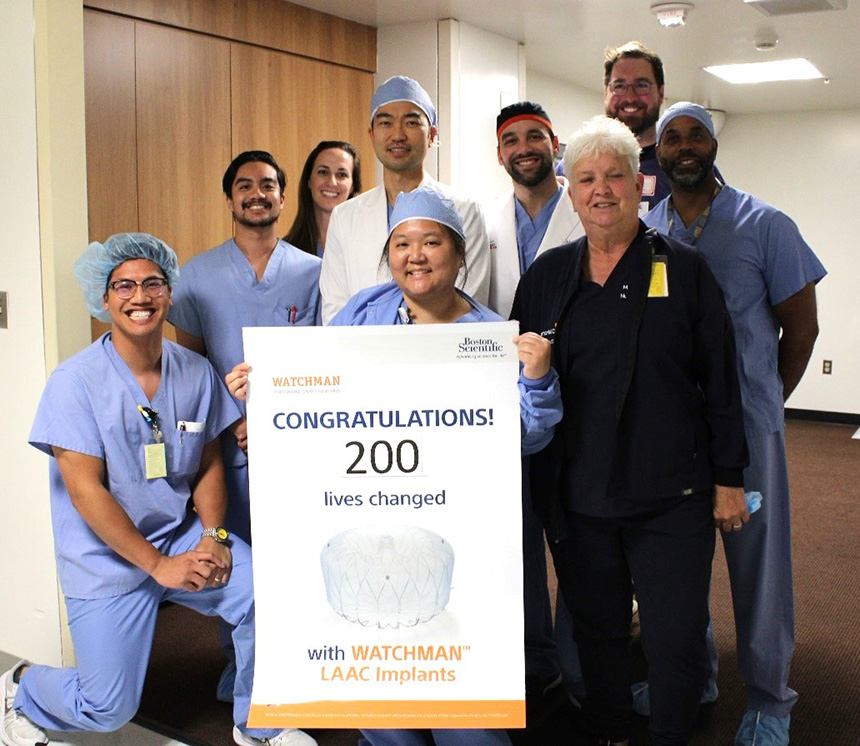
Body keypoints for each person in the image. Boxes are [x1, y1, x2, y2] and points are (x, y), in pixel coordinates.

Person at [228, 187, 562, 746]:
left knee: (466, 714)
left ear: (460, 256)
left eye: (432, 242)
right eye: (402, 244)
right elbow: (321, 393)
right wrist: (265, 394)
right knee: (381, 698)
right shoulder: (365, 311)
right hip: (369, 531)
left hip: (454, 535)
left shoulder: (487, 338)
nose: (416, 255)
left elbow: (525, 437)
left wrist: (537, 379)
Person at [1, 233, 315, 746]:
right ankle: (24, 687)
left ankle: (259, 726)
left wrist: (213, 535)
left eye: (153, 283)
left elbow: (210, 461)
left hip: (180, 538)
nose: (139, 297)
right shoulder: (74, 382)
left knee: (264, 591)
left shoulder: (194, 372)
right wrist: (156, 565)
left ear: (170, 294)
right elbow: (85, 493)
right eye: (123, 285)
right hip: (105, 560)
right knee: (106, 709)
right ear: (104, 299)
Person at [511, 116, 749, 746]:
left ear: (639, 184)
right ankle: (611, 733)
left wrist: (730, 480)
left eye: (614, 175)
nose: (601, 189)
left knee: (673, 639)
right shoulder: (547, 276)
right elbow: (511, 380)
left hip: (674, 494)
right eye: (586, 177)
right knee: (598, 635)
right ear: (569, 187)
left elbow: (721, 381)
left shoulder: (686, 269)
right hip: (581, 496)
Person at [642, 102, 826, 746]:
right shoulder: (648, 230)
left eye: (697, 136)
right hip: (673, 433)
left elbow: (802, 327)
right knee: (681, 565)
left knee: (758, 566)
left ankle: (773, 699)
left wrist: (770, 397)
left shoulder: (765, 225)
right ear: (658, 153)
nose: (685, 146)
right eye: (673, 138)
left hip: (747, 427)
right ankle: (697, 679)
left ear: (713, 146)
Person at [168, 150, 321, 702]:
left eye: (268, 185)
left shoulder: (312, 272)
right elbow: (188, 366)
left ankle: (300, 670)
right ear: (229, 197)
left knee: (298, 558)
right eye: (245, 185)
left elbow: (325, 359)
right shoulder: (199, 274)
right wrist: (232, 420)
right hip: (227, 448)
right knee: (235, 564)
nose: (257, 194)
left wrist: (279, 419)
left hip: (297, 441)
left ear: (283, 196)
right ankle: (242, 669)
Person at [486, 100, 584, 706]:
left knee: (576, 545)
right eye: (511, 140)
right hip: (507, 404)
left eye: (534, 137)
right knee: (514, 541)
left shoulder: (586, 206)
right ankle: (530, 660)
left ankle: (578, 674)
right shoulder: (486, 218)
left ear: (555, 143)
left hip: (580, 397)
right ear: (500, 153)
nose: (524, 148)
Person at [319, 75, 491, 322]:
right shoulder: (345, 216)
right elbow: (335, 308)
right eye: (386, 123)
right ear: (371, 134)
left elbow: (468, 302)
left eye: (411, 122)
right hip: (363, 355)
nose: (397, 135)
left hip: (443, 352)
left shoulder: (464, 210)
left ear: (431, 135)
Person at [603, 41, 670, 215]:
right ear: (606, 92)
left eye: (641, 85)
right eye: (619, 86)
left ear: (661, 93)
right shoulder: (577, 165)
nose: (630, 97)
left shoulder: (683, 164)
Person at [284, 140, 362, 257]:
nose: (331, 182)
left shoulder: (370, 245)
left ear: (352, 187)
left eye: (341, 175)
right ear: (309, 181)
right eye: (323, 172)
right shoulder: (286, 252)